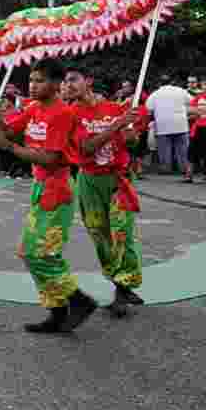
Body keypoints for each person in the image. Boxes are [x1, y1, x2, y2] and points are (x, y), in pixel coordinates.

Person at [0, 58, 99, 334]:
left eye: (39, 80)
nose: (32, 85)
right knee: (31, 253)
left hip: (58, 189)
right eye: (31, 80)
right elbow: (6, 130)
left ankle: (78, 301)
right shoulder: (33, 108)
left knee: (40, 253)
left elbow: (51, 159)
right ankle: (57, 312)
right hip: (40, 188)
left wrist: (11, 149)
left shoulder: (62, 114)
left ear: (56, 84)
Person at [63, 69, 145, 318]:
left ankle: (123, 287)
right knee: (99, 234)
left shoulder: (115, 107)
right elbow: (86, 149)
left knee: (122, 232)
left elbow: (131, 143)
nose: (68, 85)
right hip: (89, 180)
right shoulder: (71, 114)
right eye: (65, 82)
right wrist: (117, 125)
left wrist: (130, 135)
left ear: (88, 81)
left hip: (118, 179)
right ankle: (119, 280)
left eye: (73, 79)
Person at [145, 76, 193, 181]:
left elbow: (148, 108)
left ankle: (166, 167)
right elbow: (192, 101)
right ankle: (184, 168)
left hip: (163, 125)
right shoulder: (181, 91)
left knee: (164, 149)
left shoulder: (155, 94)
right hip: (180, 124)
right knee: (182, 149)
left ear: (160, 83)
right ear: (172, 82)